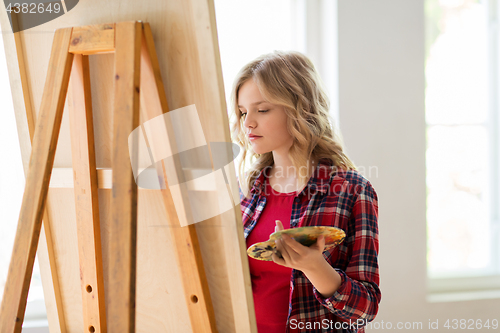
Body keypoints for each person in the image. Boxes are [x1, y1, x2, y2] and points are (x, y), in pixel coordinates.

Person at [230, 50, 381, 333]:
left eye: (262, 110)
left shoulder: (351, 190)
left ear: (299, 108)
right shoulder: (248, 189)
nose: (248, 122)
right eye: (242, 112)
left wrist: (314, 267)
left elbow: (365, 309)